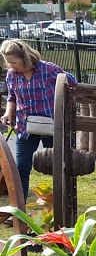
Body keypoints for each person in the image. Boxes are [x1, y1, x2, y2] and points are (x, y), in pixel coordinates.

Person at [1, 38, 77, 200]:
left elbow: (71, 82)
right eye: (8, 62)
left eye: (14, 62)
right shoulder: (12, 75)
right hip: (25, 126)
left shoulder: (49, 69)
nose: (11, 66)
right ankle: (19, 205)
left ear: (24, 57)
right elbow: (12, 97)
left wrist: (63, 100)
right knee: (21, 166)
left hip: (52, 125)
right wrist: (8, 113)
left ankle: (60, 200)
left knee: (57, 165)